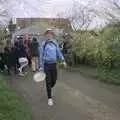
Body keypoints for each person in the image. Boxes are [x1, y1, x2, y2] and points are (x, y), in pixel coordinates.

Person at [39, 29, 67, 106]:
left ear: (52, 35)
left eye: (50, 34)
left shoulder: (55, 43)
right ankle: (49, 98)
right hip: (46, 65)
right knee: (48, 81)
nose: (49, 35)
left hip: (54, 64)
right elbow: (41, 56)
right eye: (47, 34)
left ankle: (49, 87)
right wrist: (41, 66)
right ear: (45, 35)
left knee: (54, 81)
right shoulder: (43, 44)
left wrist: (63, 60)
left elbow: (58, 52)